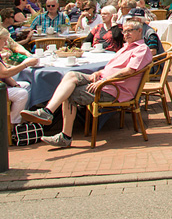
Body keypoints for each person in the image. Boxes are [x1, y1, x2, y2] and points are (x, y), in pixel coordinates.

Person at [21, 19, 153, 148]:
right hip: (105, 82)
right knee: (71, 75)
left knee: (69, 93)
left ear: (139, 30)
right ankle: (47, 111)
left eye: (129, 31)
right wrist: (100, 72)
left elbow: (129, 70)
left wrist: (105, 80)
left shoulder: (141, 49)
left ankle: (65, 136)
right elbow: (115, 67)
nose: (126, 34)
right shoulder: (126, 47)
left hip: (114, 90)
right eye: (124, 32)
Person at [0, 25, 37, 127]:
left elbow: (4, 74)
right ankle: (12, 125)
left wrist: (15, 85)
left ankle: (19, 118)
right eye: (4, 40)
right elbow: (4, 73)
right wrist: (25, 64)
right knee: (21, 94)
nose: (6, 44)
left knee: (25, 86)